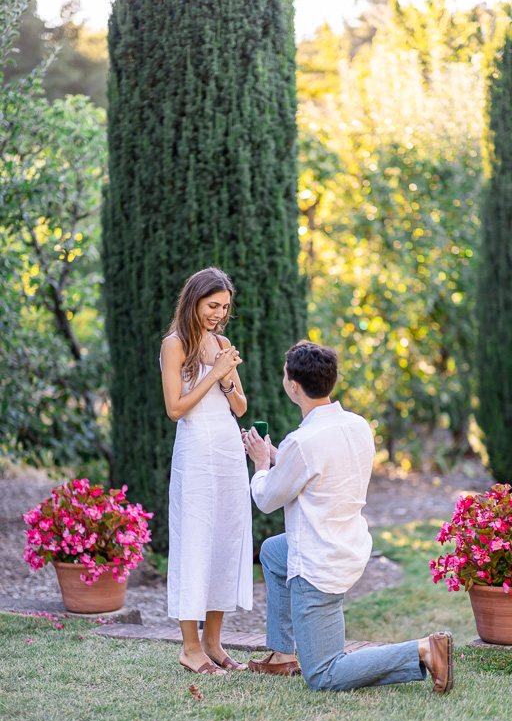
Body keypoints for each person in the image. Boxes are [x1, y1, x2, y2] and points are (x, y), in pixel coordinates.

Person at [243, 340, 454, 694]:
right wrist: (278, 457)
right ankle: (282, 654)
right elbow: (315, 472)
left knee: (323, 674)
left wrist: (262, 462)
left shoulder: (303, 441)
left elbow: (266, 498)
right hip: (348, 545)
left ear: (293, 386)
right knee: (271, 552)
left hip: (318, 563)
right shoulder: (356, 425)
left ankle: (423, 650)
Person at [161, 267, 253, 676]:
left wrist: (227, 378)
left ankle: (214, 643)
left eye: (225, 307)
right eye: (213, 305)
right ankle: (190, 648)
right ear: (194, 300)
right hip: (196, 451)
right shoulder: (174, 345)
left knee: (225, 541)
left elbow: (240, 407)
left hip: (229, 452)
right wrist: (213, 373)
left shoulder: (222, 342)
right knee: (195, 540)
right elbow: (175, 409)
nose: (218, 314)